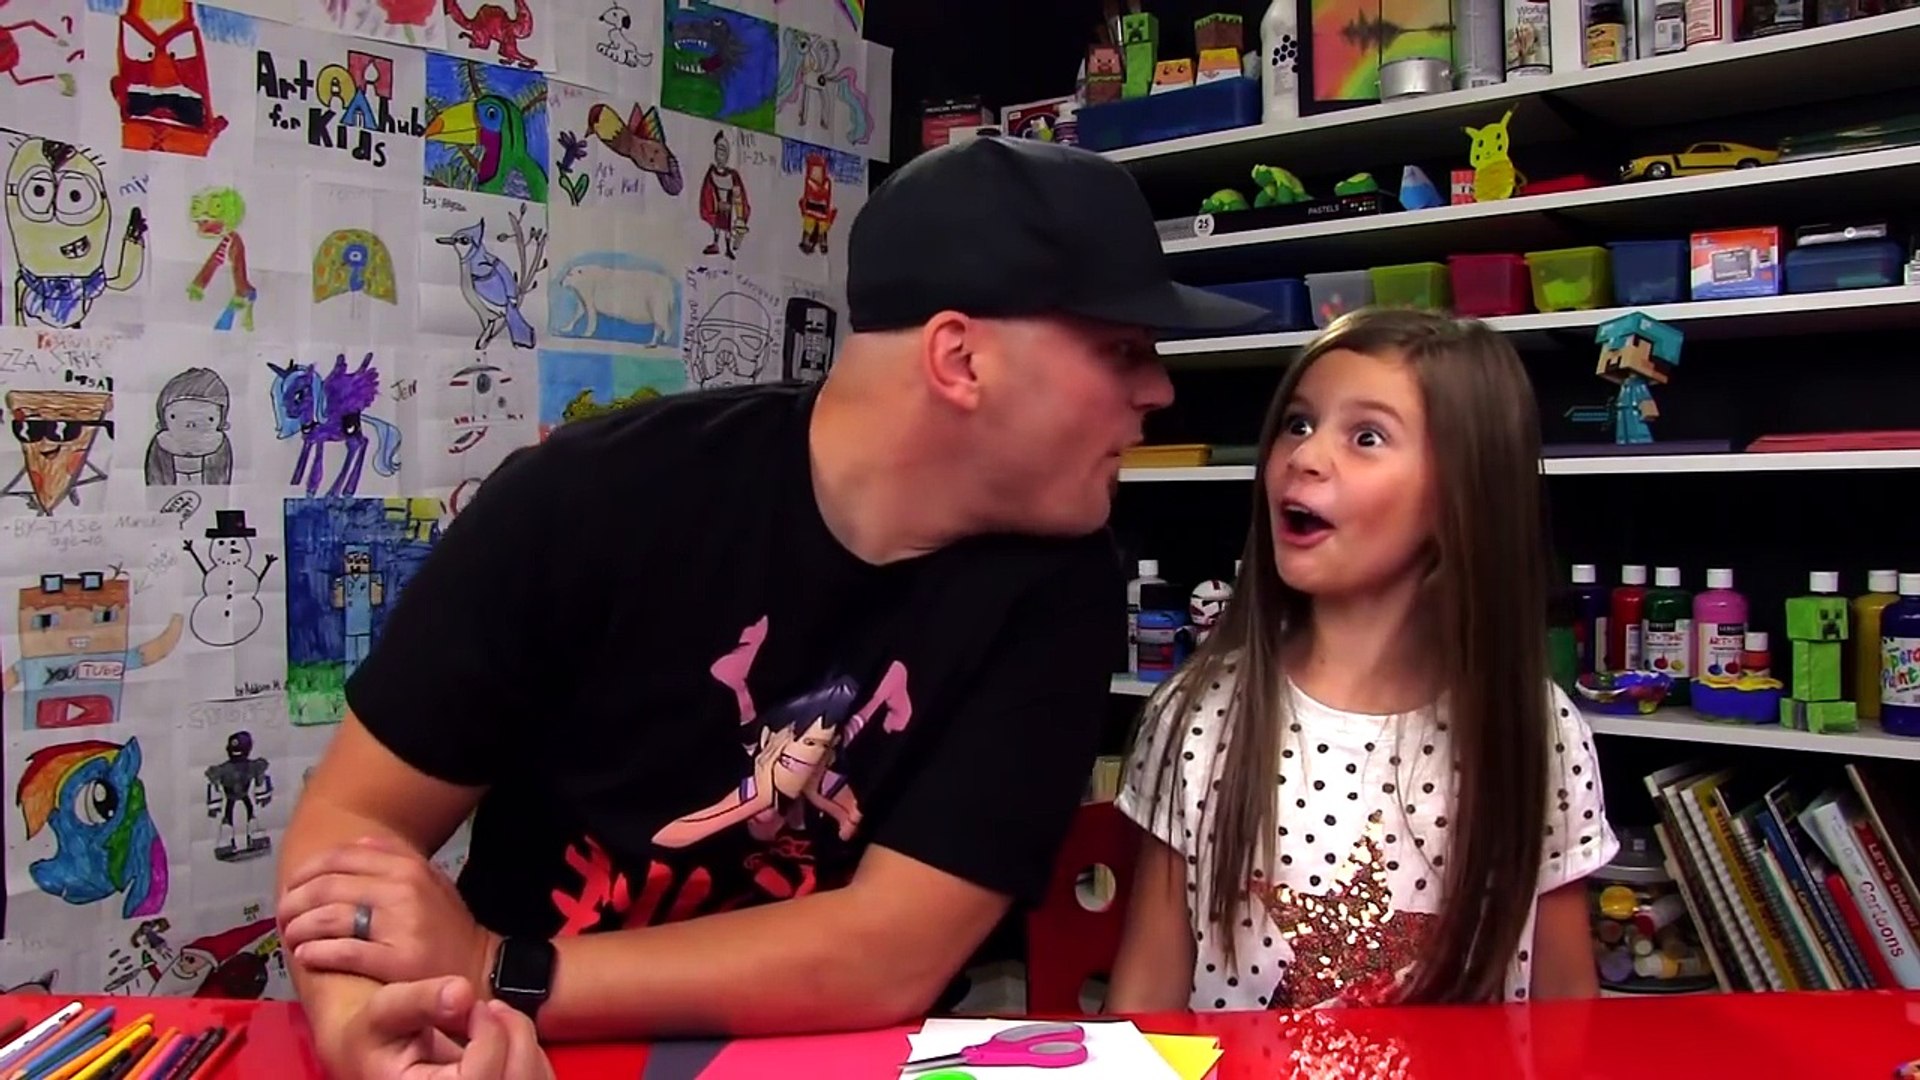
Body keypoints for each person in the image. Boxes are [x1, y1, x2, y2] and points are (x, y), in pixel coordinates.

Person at [274, 135, 1267, 1079]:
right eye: (1123, 349)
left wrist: (504, 968)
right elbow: (354, 823)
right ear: (960, 360)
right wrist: (371, 1028)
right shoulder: (588, 501)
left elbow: (892, 950)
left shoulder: (1060, 586)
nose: (1160, 391)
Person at [1106, 309, 1618, 1013]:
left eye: (1367, 436)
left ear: (1461, 494)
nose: (1306, 456)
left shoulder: (1538, 732)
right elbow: (1145, 999)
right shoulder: (1198, 715)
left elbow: (1569, 1011)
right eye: (1298, 423)